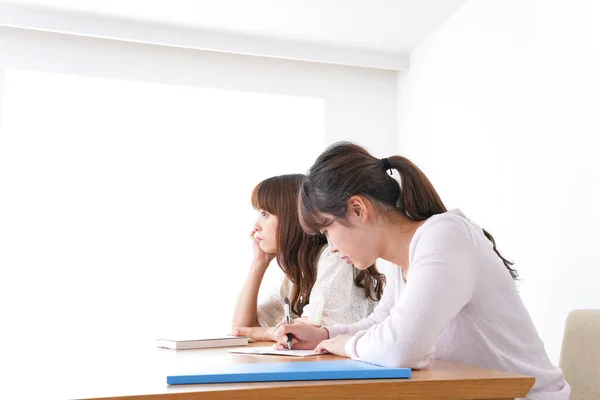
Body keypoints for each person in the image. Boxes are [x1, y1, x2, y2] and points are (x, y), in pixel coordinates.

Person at [273, 143, 569, 400]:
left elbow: (402, 347)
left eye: (327, 230)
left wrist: (346, 345)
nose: (331, 247)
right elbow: (384, 321)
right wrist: (324, 335)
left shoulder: (444, 236)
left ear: (358, 209)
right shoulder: (403, 254)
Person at [231, 173, 385, 342]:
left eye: (264, 214)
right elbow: (240, 330)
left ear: (290, 217)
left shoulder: (337, 258)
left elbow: (310, 333)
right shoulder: (298, 274)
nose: (256, 227)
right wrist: (258, 264)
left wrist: (267, 334)